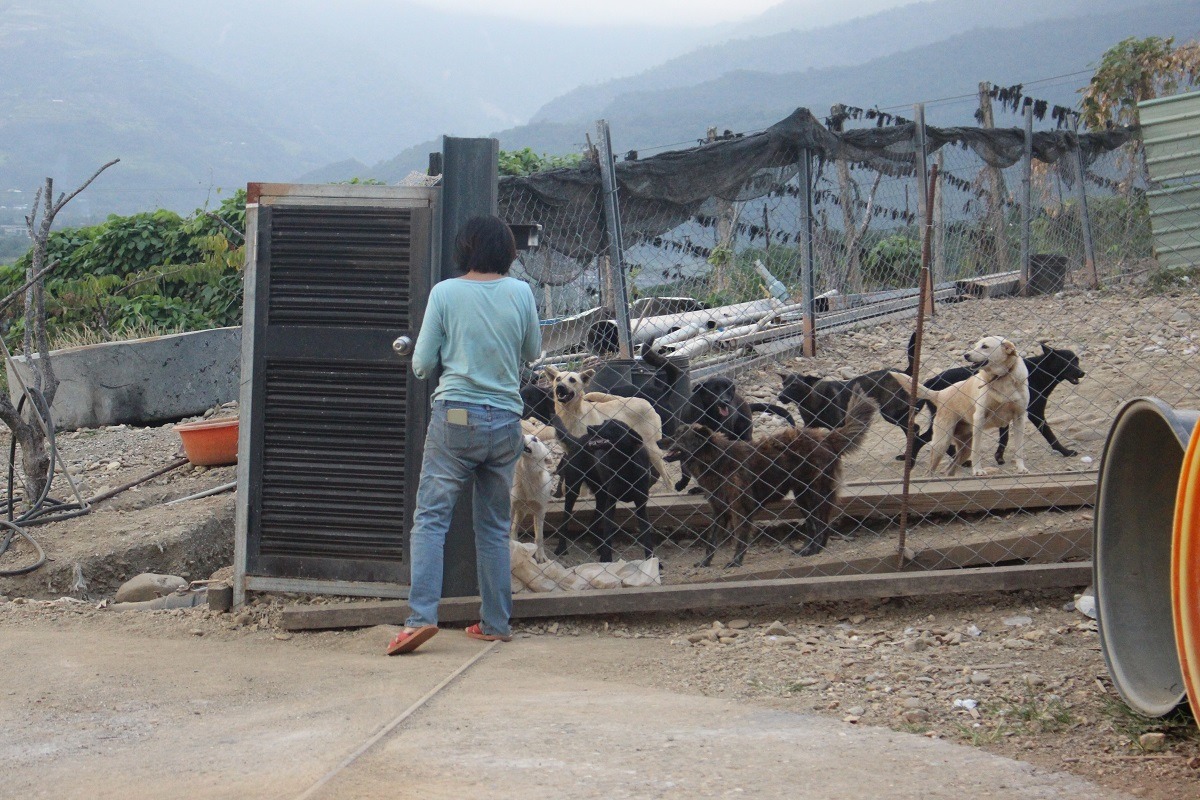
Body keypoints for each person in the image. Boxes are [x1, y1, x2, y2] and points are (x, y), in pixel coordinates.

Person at [387, 215, 541, 655]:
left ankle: (420, 620)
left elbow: (421, 365)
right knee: (493, 526)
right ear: (508, 252)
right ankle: (495, 622)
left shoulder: (445, 293)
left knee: (431, 519)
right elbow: (533, 352)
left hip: (456, 418)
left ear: (465, 249)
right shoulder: (521, 293)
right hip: (506, 422)